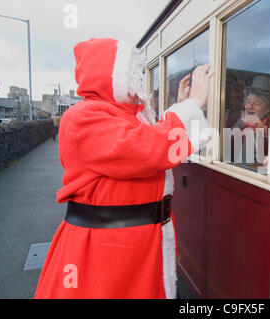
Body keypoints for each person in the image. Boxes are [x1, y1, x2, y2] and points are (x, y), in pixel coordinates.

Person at [34, 38, 212, 299]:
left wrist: (181, 104)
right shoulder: (82, 117)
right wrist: (192, 104)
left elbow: (147, 138)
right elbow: (150, 149)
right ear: (111, 76)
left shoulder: (122, 116)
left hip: (134, 243)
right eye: (131, 75)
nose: (137, 82)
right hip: (108, 249)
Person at [228, 75, 270, 167]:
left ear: (268, 109)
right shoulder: (241, 121)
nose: (250, 106)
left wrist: (262, 131)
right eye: (248, 102)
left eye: (256, 103)